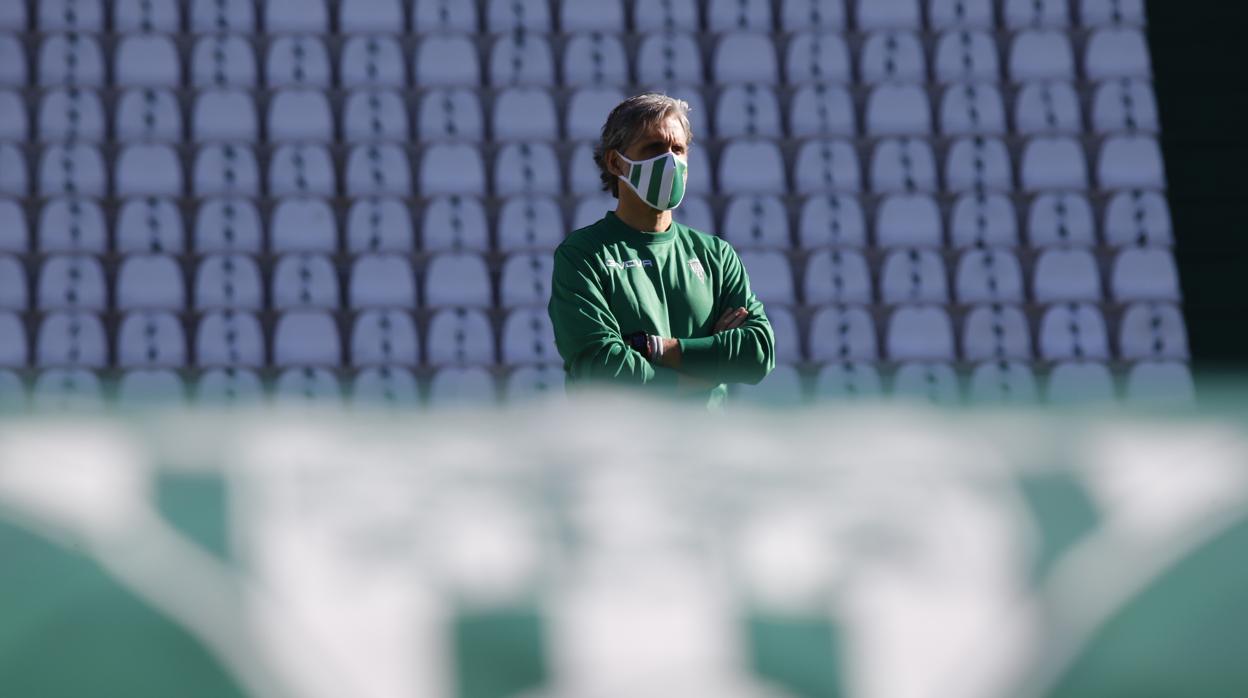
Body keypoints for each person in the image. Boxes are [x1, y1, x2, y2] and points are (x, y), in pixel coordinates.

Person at [548, 93, 775, 408]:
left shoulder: (716, 255)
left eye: (678, 149)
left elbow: (757, 353)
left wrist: (655, 349)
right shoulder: (584, 254)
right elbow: (601, 369)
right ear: (616, 162)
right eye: (654, 148)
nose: (670, 160)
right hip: (621, 451)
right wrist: (707, 371)